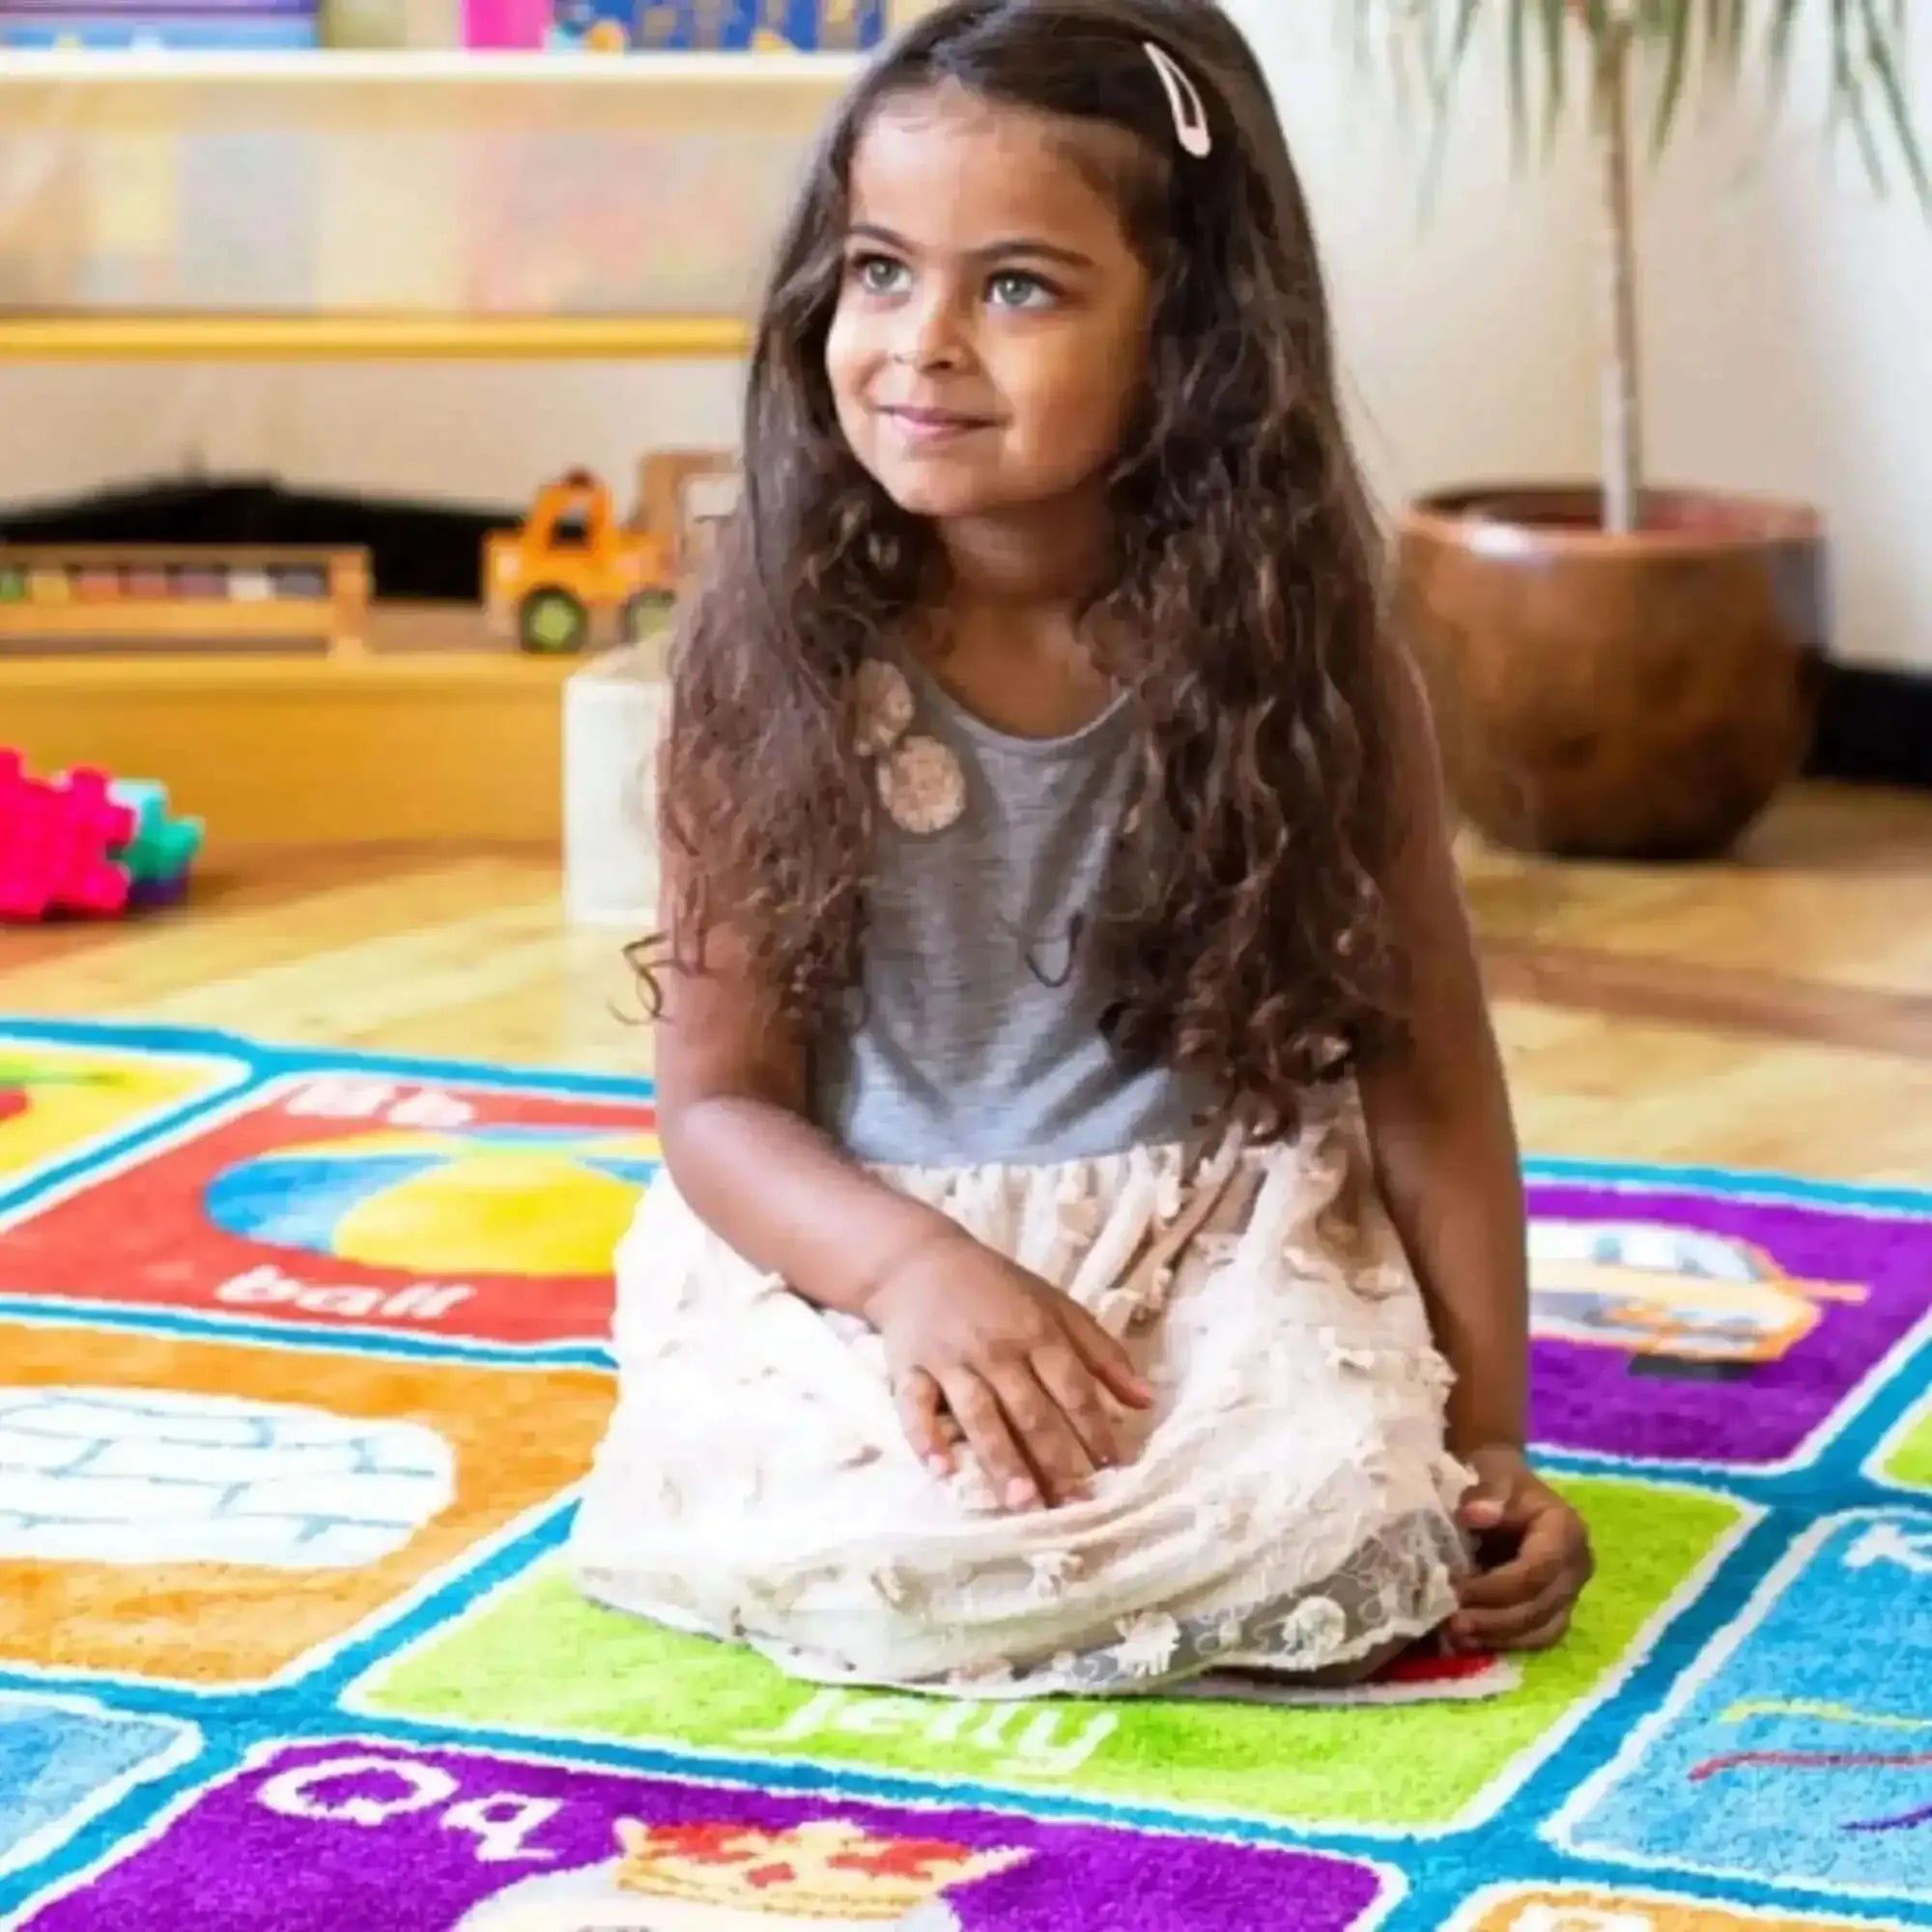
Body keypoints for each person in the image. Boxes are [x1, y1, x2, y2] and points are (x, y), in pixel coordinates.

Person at [568, 0, 1593, 1699]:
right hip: (857, 1243)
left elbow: (1426, 1069)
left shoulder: (1313, 660)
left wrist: (1488, 1442)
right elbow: (719, 1104)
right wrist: (912, 1274)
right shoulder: (772, 640)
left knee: (1360, 1523)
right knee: (836, 1532)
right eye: (881, 269)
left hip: (1204, 1234)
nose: (921, 342)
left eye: (1019, 287)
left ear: (1190, 334)